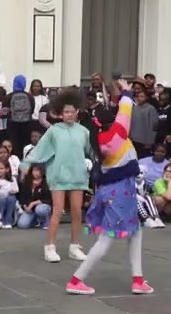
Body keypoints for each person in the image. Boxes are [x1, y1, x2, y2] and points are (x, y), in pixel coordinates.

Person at [65, 79, 154, 296]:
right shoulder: (117, 135)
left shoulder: (100, 138)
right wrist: (125, 91)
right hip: (120, 191)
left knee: (135, 231)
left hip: (111, 190)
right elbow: (125, 111)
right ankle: (76, 280)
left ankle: (138, 279)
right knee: (106, 239)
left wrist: (117, 95)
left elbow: (119, 111)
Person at [22, 89, 91, 264]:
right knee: (57, 211)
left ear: (77, 112)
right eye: (66, 112)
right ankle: (50, 248)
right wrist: (26, 163)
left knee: (77, 212)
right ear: (60, 113)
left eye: (72, 111)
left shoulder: (84, 132)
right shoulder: (54, 131)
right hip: (58, 176)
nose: (69, 115)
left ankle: (75, 246)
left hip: (77, 175)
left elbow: (91, 151)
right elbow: (39, 150)